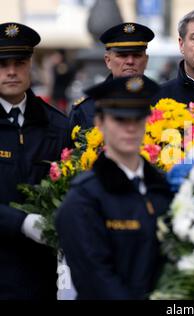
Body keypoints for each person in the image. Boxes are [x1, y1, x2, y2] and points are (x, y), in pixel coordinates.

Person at [55, 76, 173, 299]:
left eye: (137, 118)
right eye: (119, 119)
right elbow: (96, 278)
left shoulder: (160, 187)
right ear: (99, 122)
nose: (130, 127)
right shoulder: (84, 198)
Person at [0, 22, 69, 299]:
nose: (12, 71)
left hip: (39, 273)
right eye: (3, 64)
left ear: (31, 65)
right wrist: (21, 222)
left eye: (20, 62)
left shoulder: (57, 125)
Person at [69, 22, 159, 130]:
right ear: (108, 61)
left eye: (137, 55)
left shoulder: (165, 100)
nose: (130, 61)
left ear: (146, 61)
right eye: (122, 55)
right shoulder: (85, 109)